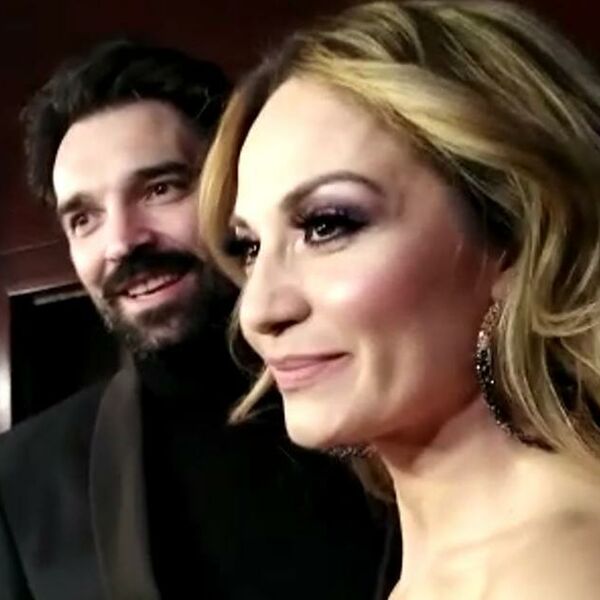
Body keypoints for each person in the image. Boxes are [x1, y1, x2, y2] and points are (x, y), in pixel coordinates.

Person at [199, 1, 600, 598]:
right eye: (250, 246)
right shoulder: (455, 564)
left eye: (327, 225)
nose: (259, 312)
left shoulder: (553, 576)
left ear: (514, 238)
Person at [0, 39, 396, 599]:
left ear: (235, 187)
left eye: (159, 189)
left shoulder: (391, 389)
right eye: (84, 218)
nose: (121, 242)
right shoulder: (21, 478)